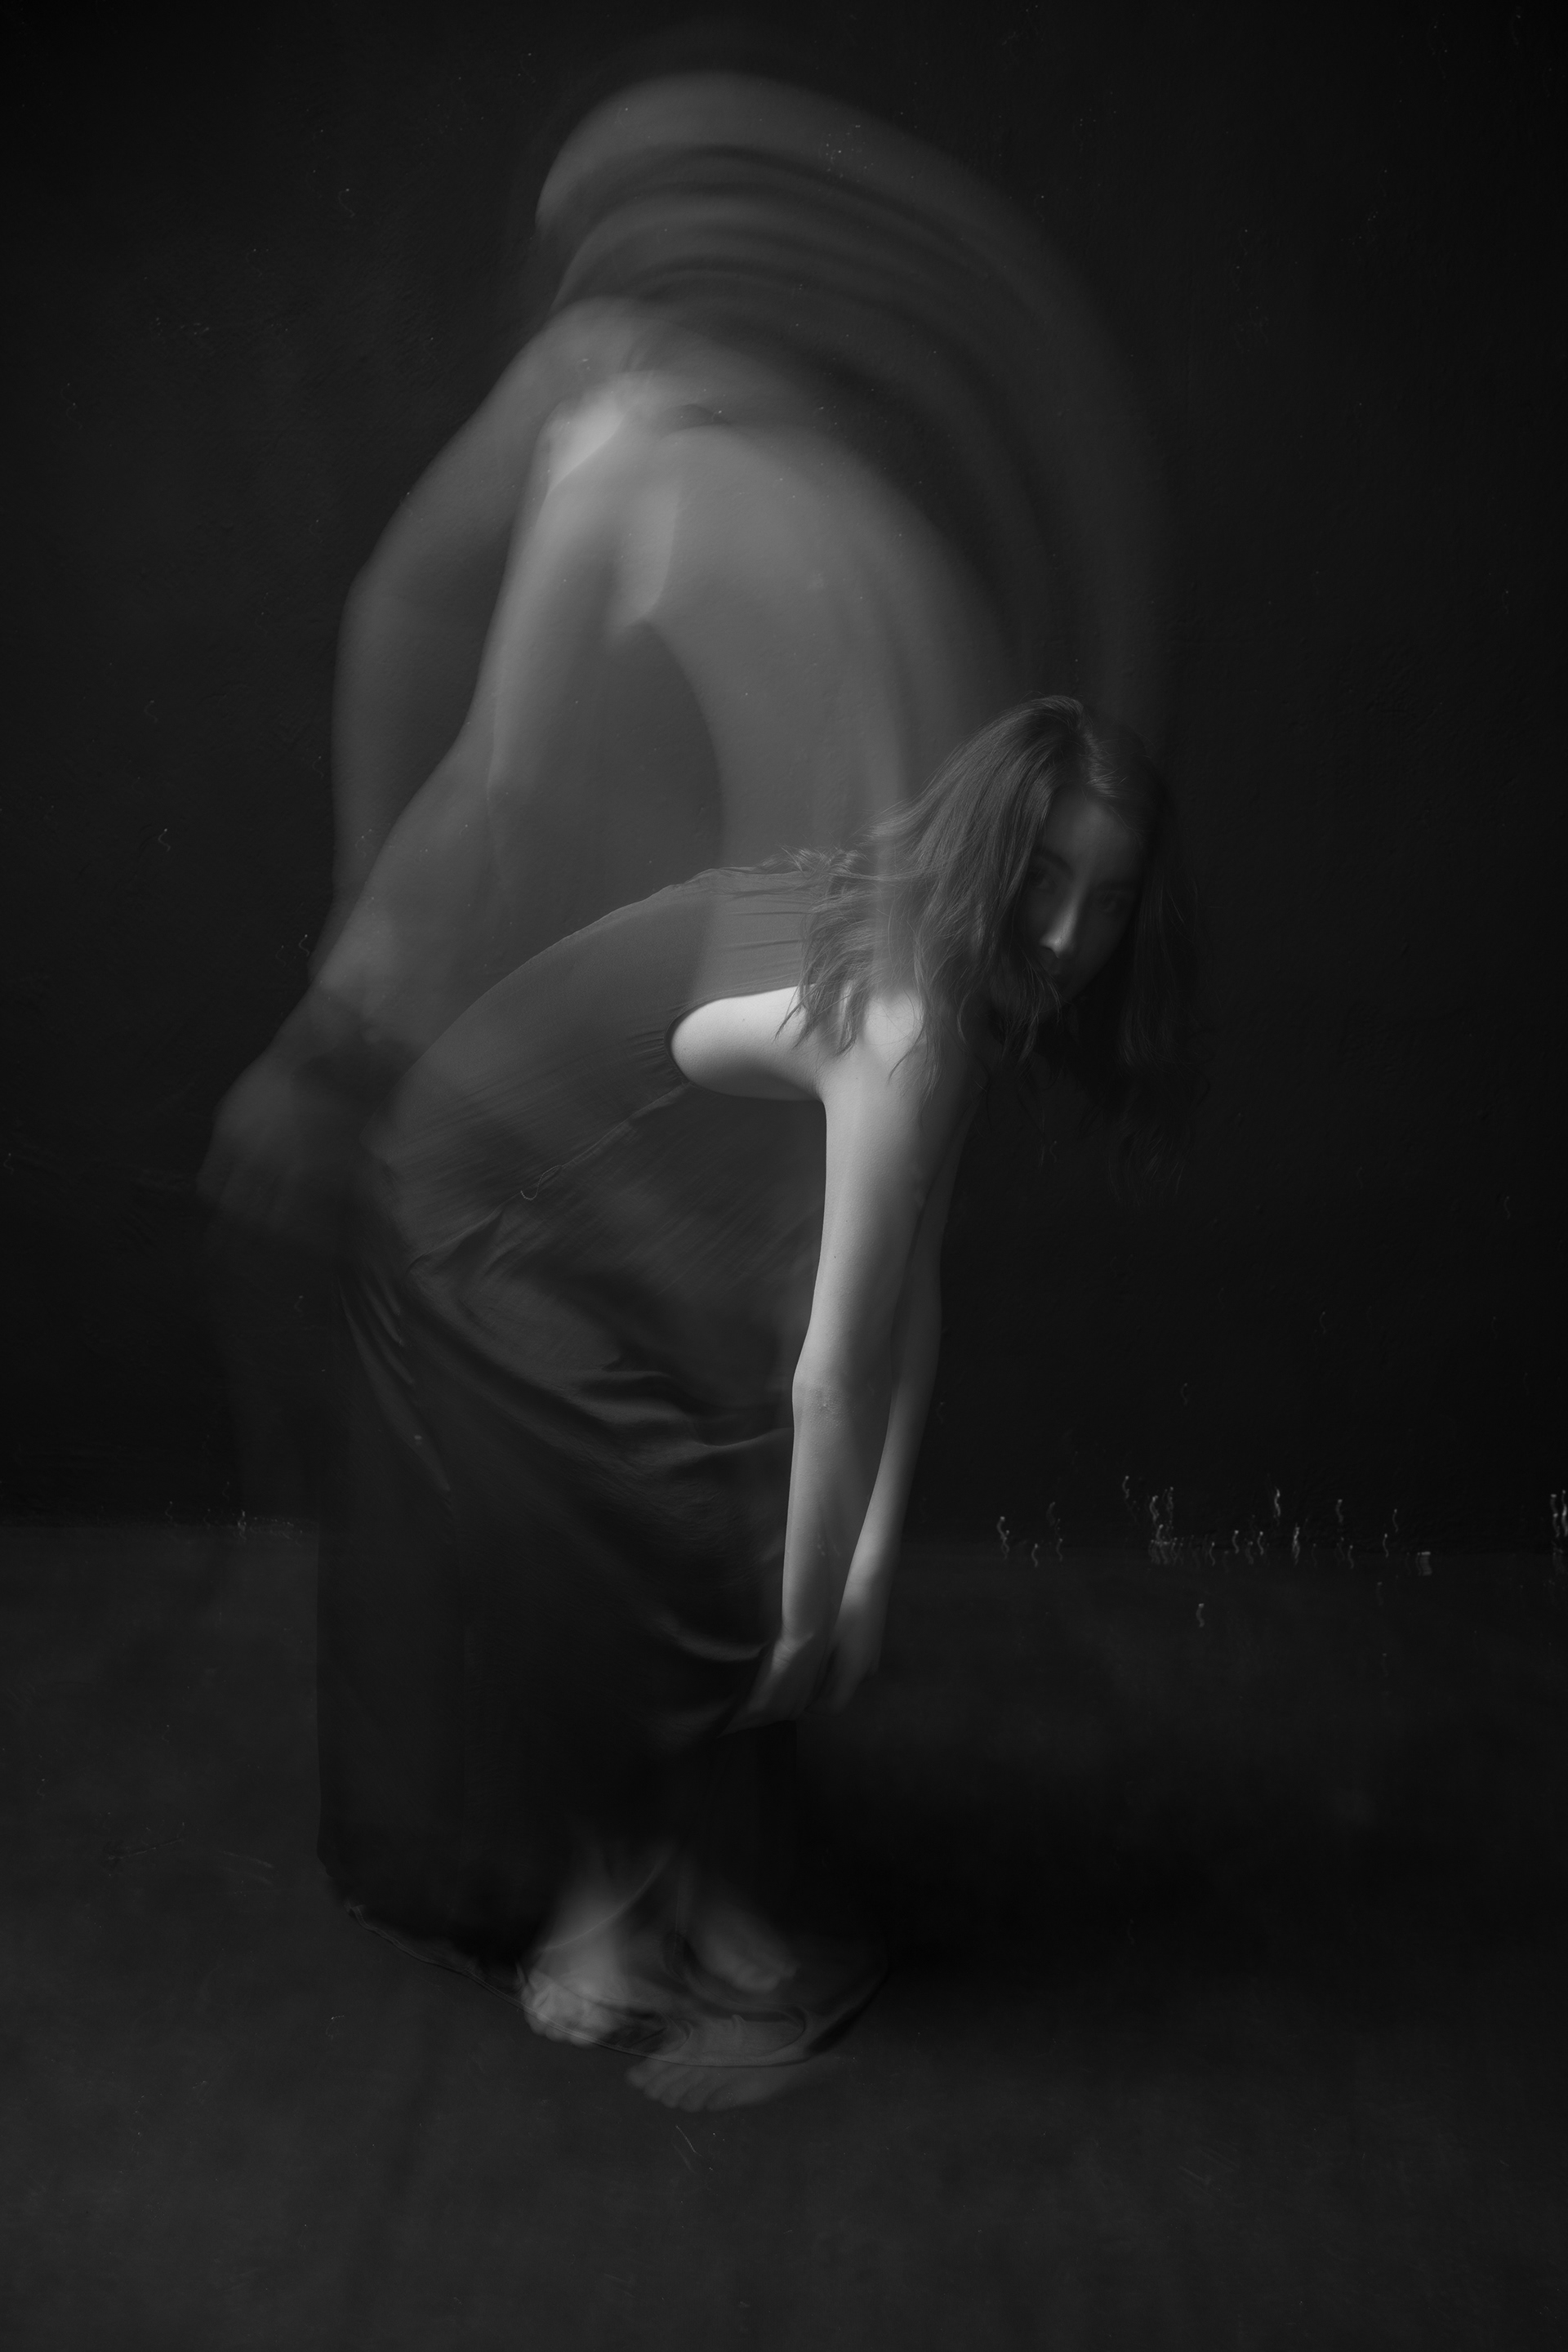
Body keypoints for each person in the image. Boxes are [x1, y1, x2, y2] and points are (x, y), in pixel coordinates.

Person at [200, 72, 1168, 1507]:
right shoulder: (850, 511)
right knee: (757, 1323)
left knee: (477, 1235)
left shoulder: (614, 454)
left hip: (787, 1010)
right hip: (838, 1000)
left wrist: (327, 1048)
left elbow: (503, 794)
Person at [318, 697, 1202, 2108]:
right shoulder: (907, 1016)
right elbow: (835, 1372)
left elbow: (908, 1296)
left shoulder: (945, 969)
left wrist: (864, 1564)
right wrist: (799, 1612)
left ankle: (680, 1901)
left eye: (1105, 904)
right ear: (984, 850)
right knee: (698, 1536)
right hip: (464, 1202)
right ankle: (610, 1922)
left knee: (755, 1510)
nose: (1062, 937)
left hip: (580, 1200)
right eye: (1040, 879)